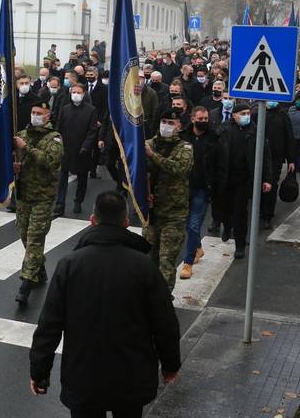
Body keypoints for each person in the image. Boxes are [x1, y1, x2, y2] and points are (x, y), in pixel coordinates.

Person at [29, 190, 181, 418]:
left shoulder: (70, 265)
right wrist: (170, 365)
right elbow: (164, 322)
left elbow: (49, 324)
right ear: (126, 222)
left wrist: (40, 371)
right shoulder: (144, 266)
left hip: (83, 376)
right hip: (131, 376)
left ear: (93, 221)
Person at [14, 101, 64, 305]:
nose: (35, 115)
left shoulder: (54, 139)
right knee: (24, 235)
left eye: (39, 113)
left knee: (35, 238)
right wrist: (14, 166)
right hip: (24, 194)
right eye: (33, 112)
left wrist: (27, 150)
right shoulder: (21, 135)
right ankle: (39, 267)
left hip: (43, 197)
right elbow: (12, 158)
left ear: (47, 116)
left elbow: (50, 162)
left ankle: (26, 284)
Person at [212, 100, 273, 258]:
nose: (246, 116)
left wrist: (267, 179)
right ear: (234, 115)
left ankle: (240, 244)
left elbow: (265, 156)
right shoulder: (224, 129)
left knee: (240, 212)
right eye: (243, 114)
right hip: (225, 177)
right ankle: (227, 225)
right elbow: (214, 151)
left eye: (248, 114)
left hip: (244, 179)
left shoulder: (255, 131)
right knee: (225, 207)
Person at [144, 107, 194, 290]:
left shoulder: (185, 148)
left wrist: (153, 156)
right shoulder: (148, 143)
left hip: (173, 213)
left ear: (179, 126)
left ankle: (163, 299)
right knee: (148, 257)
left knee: (166, 259)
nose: (166, 126)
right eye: (163, 122)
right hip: (151, 211)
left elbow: (180, 169)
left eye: (171, 123)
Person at [178, 106, 217, 279]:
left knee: (194, 225)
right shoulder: (183, 137)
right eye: (200, 119)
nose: (203, 122)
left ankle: (188, 262)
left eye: (205, 118)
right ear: (193, 119)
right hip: (184, 186)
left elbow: (220, 164)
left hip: (202, 188)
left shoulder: (214, 138)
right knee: (188, 224)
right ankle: (198, 247)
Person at [54, 83, 98, 217]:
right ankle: (60, 204)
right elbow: (59, 127)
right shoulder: (65, 109)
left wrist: (85, 146)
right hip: (66, 148)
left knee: (82, 177)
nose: (76, 95)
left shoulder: (91, 110)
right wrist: (57, 142)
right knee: (62, 177)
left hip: (82, 150)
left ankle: (78, 200)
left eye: (78, 92)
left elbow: (92, 131)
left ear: (83, 94)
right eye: (74, 92)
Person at [256, 100, 295, 230]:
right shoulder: (257, 113)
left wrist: (291, 159)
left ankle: (267, 215)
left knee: (271, 185)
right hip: (257, 156)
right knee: (258, 184)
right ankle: (259, 210)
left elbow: (289, 137)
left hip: (275, 157)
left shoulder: (282, 116)